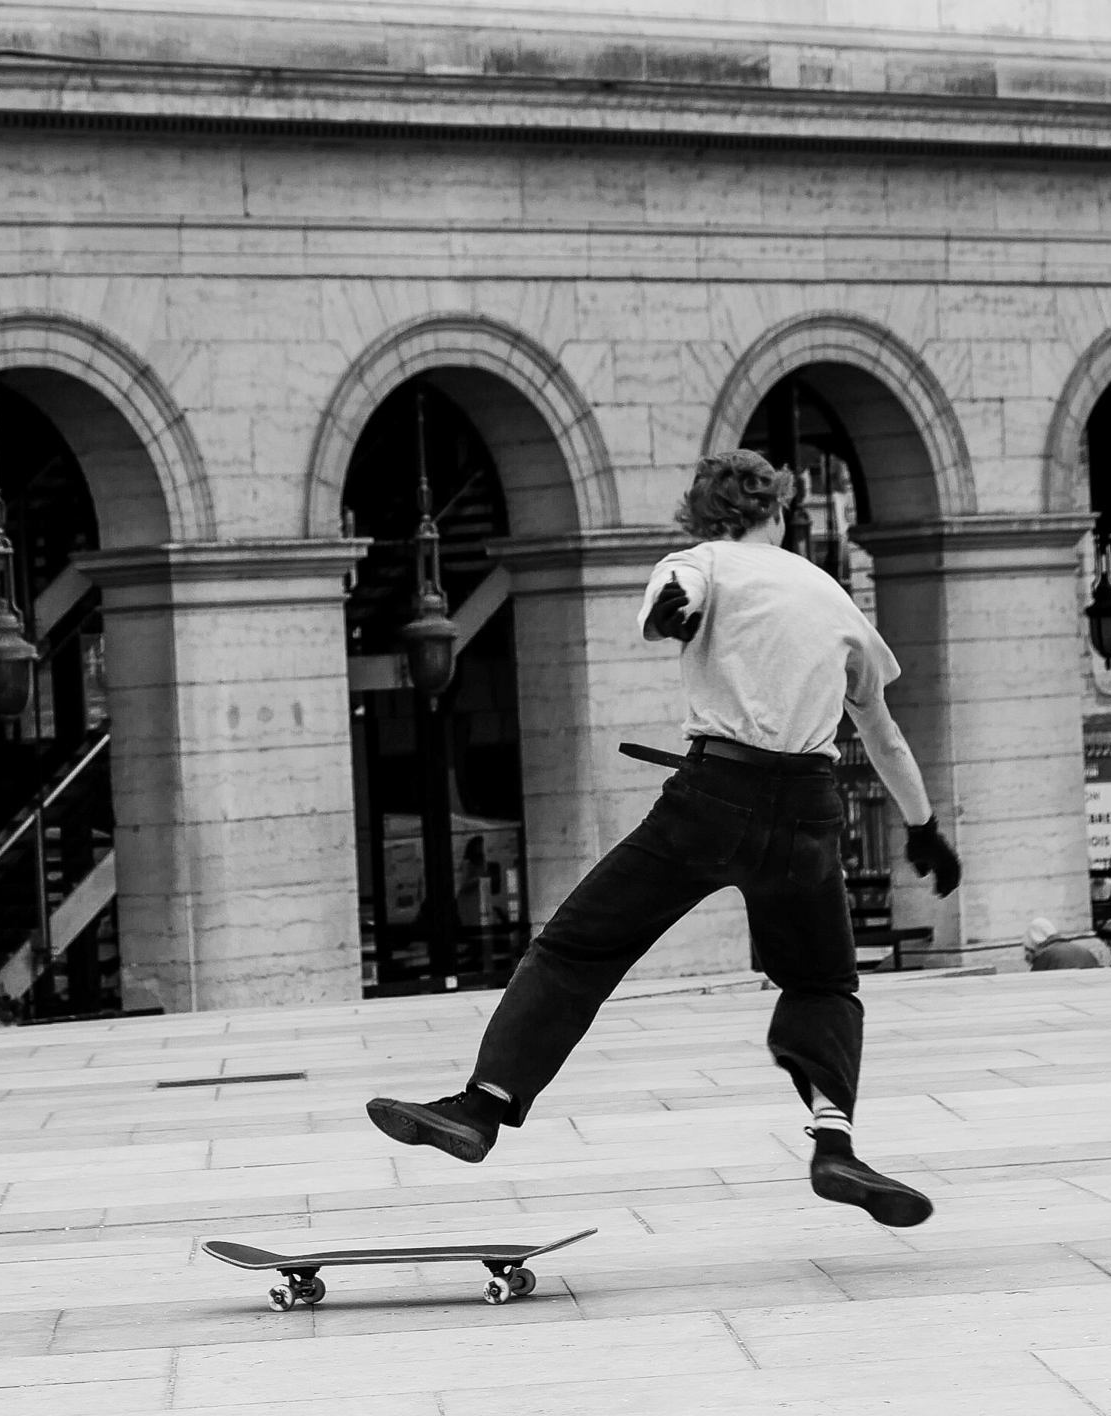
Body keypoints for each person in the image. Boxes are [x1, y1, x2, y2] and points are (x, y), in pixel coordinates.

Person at [366, 449, 961, 1228]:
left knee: (578, 949)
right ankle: (834, 1141)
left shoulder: (703, 561)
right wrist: (923, 827)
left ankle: (483, 1105)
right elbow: (880, 730)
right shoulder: (830, 595)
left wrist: (670, 611)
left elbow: (673, 597)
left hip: (714, 799)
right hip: (809, 813)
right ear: (778, 512)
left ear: (704, 518)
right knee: (822, 982)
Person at [1024, 915, 1111, 971]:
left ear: (1035, 945)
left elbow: (1033, 985)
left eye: (1028, 950)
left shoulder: (1045, 956)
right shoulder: (1081, 949)